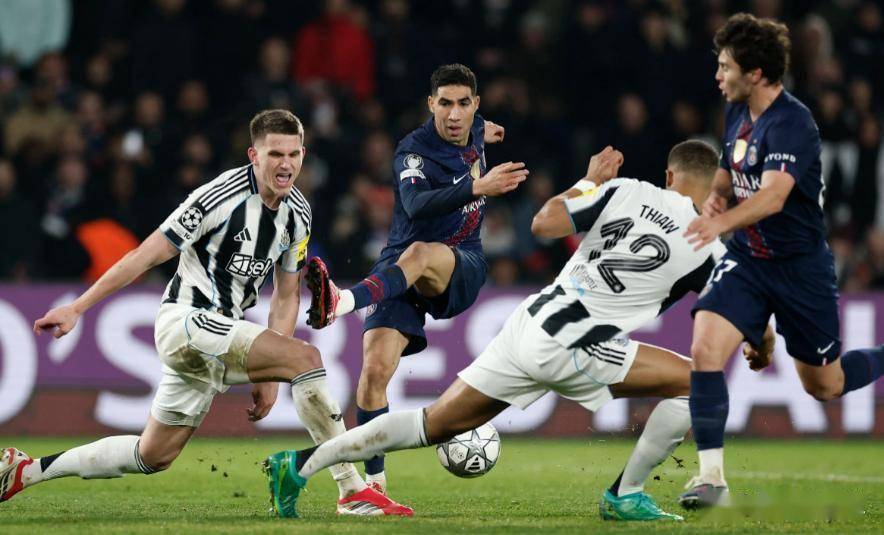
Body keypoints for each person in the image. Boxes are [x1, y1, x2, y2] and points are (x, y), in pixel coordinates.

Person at [267, 141, 768, 521]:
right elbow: (746, 310)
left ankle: (301, 463)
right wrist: (760, 344)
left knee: (430, 424)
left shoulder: (626, 190)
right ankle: (626, 493)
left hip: (530, 322)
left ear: (669, 175)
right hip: (578, 341)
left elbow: (544, 224)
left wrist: (589, 180)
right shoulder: (710, 243)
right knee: (698, 383)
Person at [0, 109, 411, 518]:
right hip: (186, 321)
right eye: (275, 154)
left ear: (303, 154)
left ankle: (27, 470)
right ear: (254, 155)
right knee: (307, 358)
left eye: (293, 154)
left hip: (219, 334)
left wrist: (269, 375)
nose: (285, 164)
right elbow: (146, 254)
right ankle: (351, 489)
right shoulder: (217, 197)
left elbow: (286, 296)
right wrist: (77, 307)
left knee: (153, 454)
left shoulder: (298, 214)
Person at [679, 13, 884, 509]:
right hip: (749, 259)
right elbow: (730, 166)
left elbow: (772, 198)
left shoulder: (794, 123)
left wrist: (718, 224)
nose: (717, 75)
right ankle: (711, 479)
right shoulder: (737, 108)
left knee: (826, 385)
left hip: (800, 269)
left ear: (755, 73)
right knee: (705, 348)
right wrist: (718, 196)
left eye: (726, 67)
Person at [302, 63, 523, 496]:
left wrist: (488, 130)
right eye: (445, 104)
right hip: (401, 265)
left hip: (460, 263)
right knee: (373, 372)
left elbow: (483, 128)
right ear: (430, 104)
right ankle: (375, 488)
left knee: (421, 253)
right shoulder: (413, 151)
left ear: (475, 104)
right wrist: (479, 188)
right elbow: (417, 204)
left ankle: (342, 301)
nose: (454, 114)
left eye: (463, 104)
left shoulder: (475, 128)